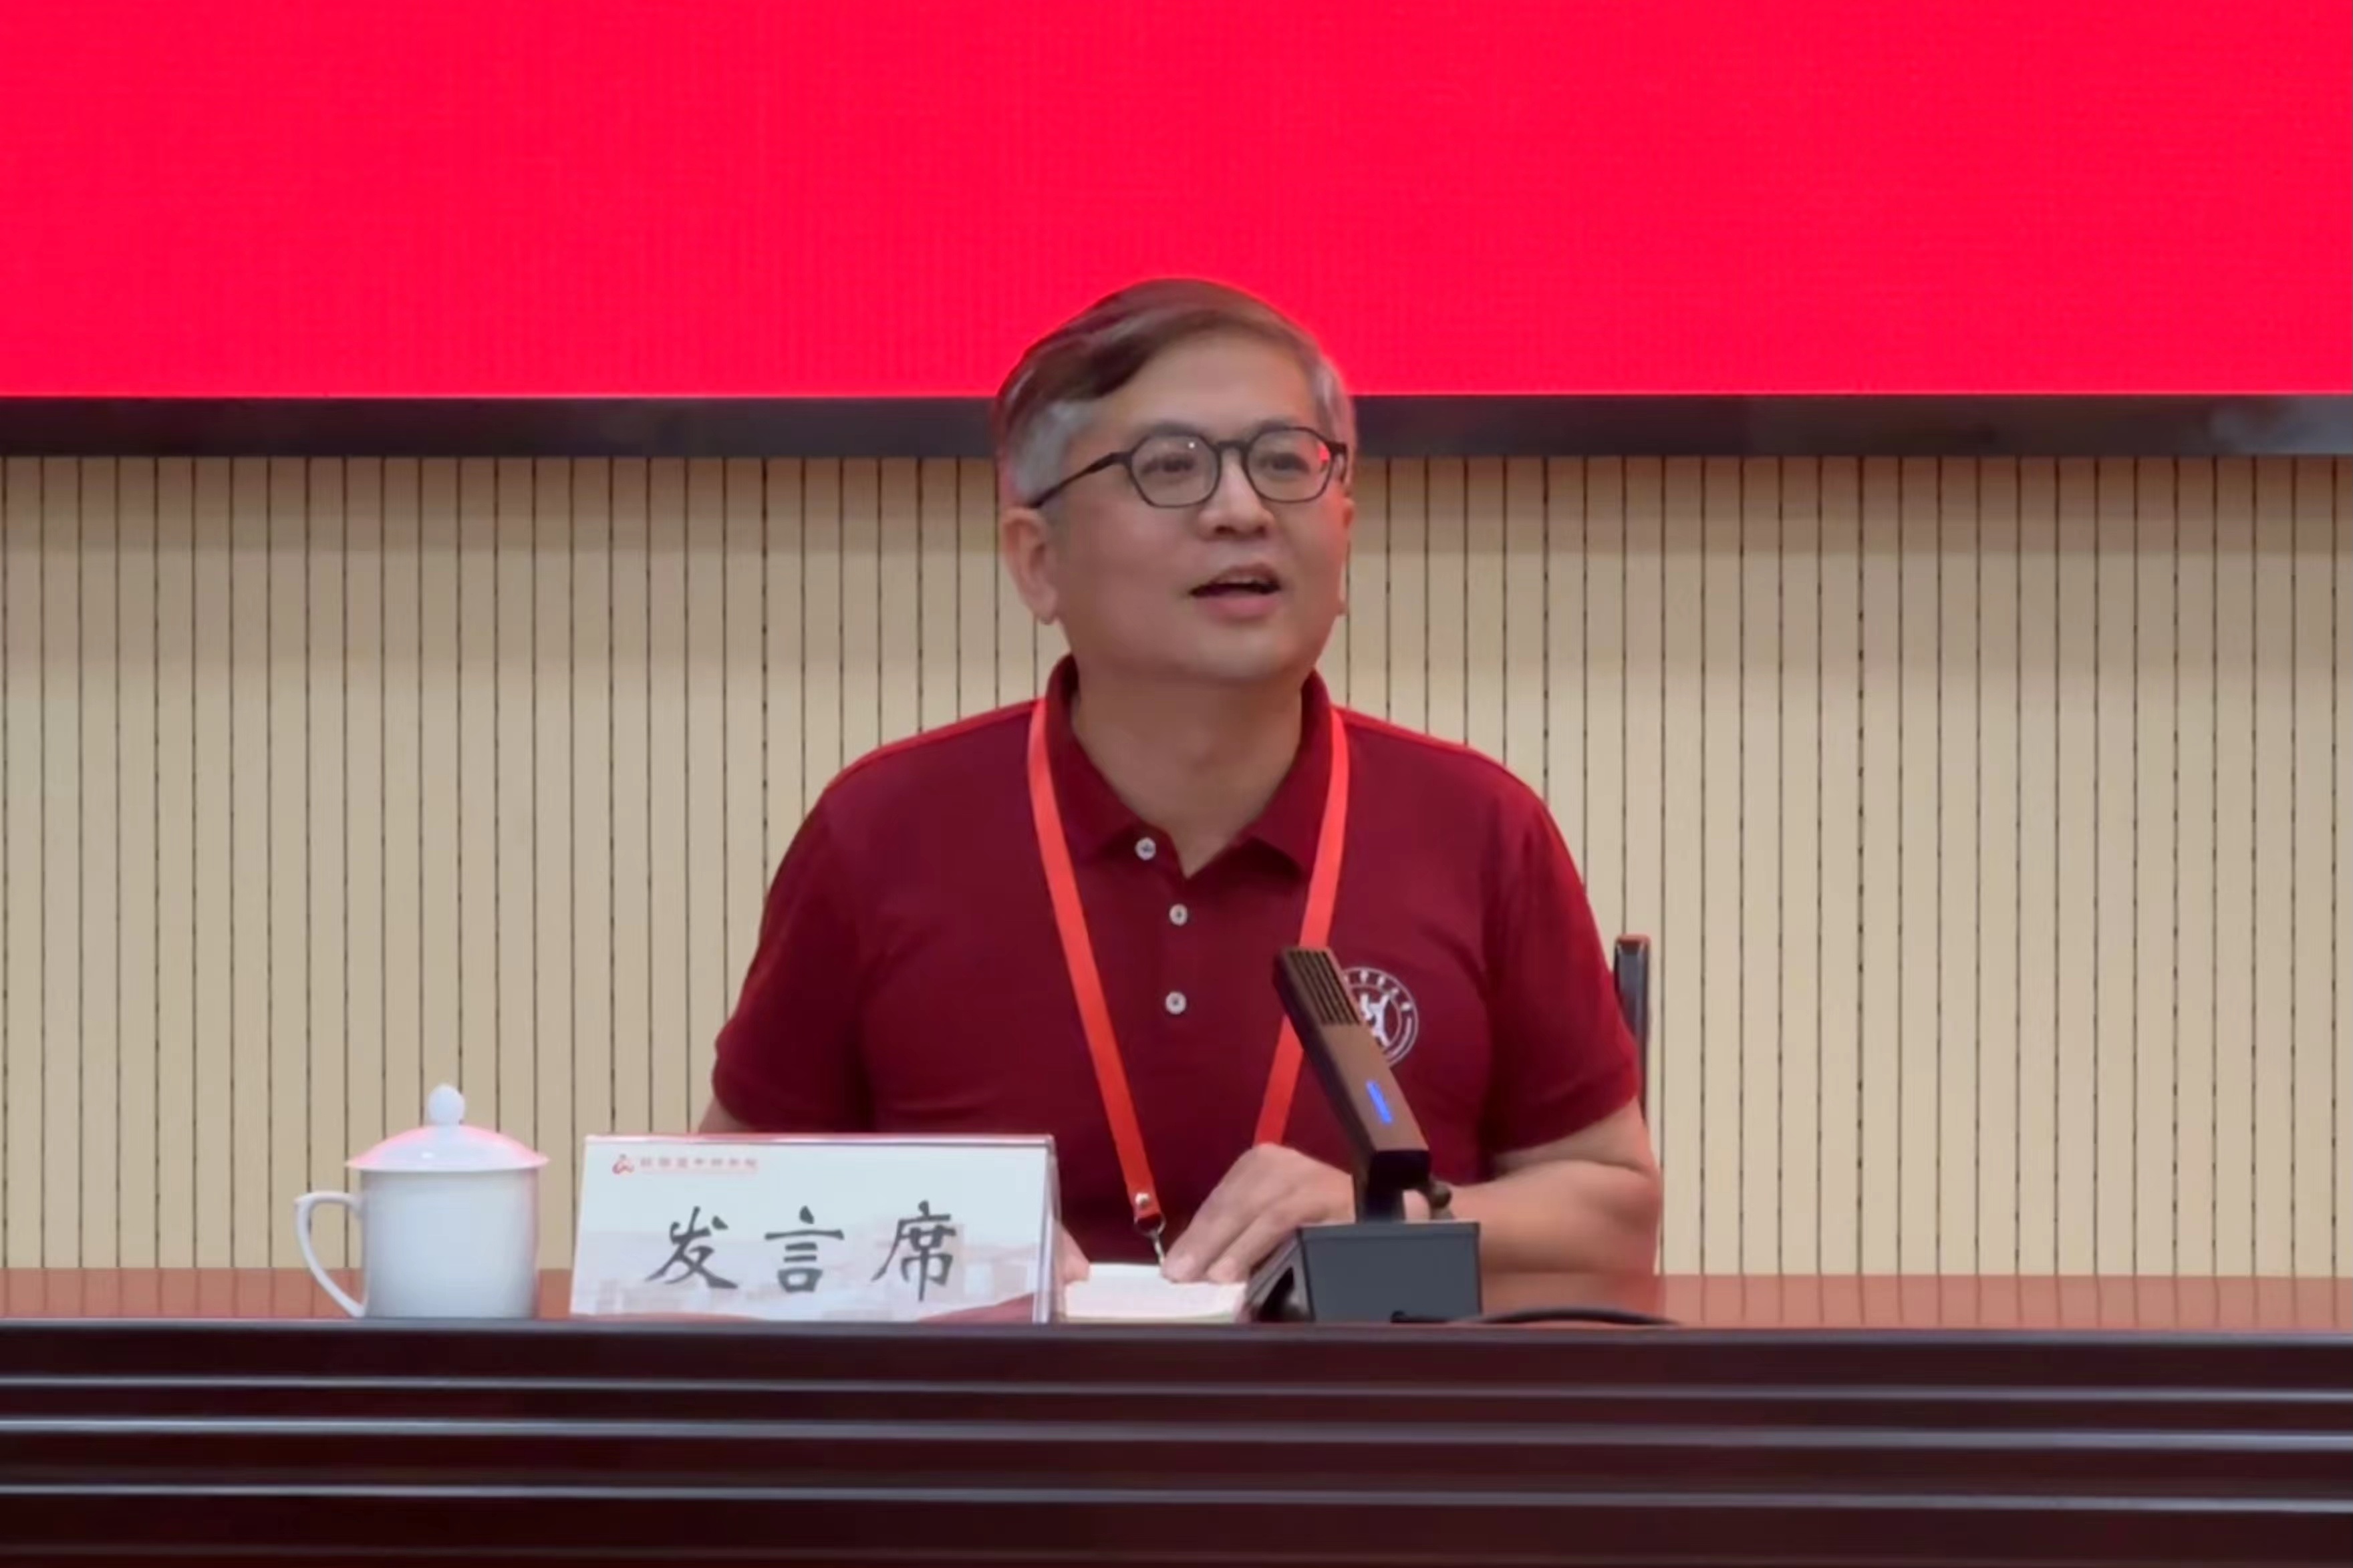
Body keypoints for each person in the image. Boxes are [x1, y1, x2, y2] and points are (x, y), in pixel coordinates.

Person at [702, 278, 1661, 1288]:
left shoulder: (1476, 828)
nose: (1241, 510)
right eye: (1169, 467)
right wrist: (932, 1235)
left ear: (1345, 528)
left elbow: (1611, 1214)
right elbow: (723, 1204)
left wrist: (1394, 1217)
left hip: (1365, 1391)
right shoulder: (883, 832)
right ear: (1037, 561)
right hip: (998, 1393)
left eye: (1284, 462)